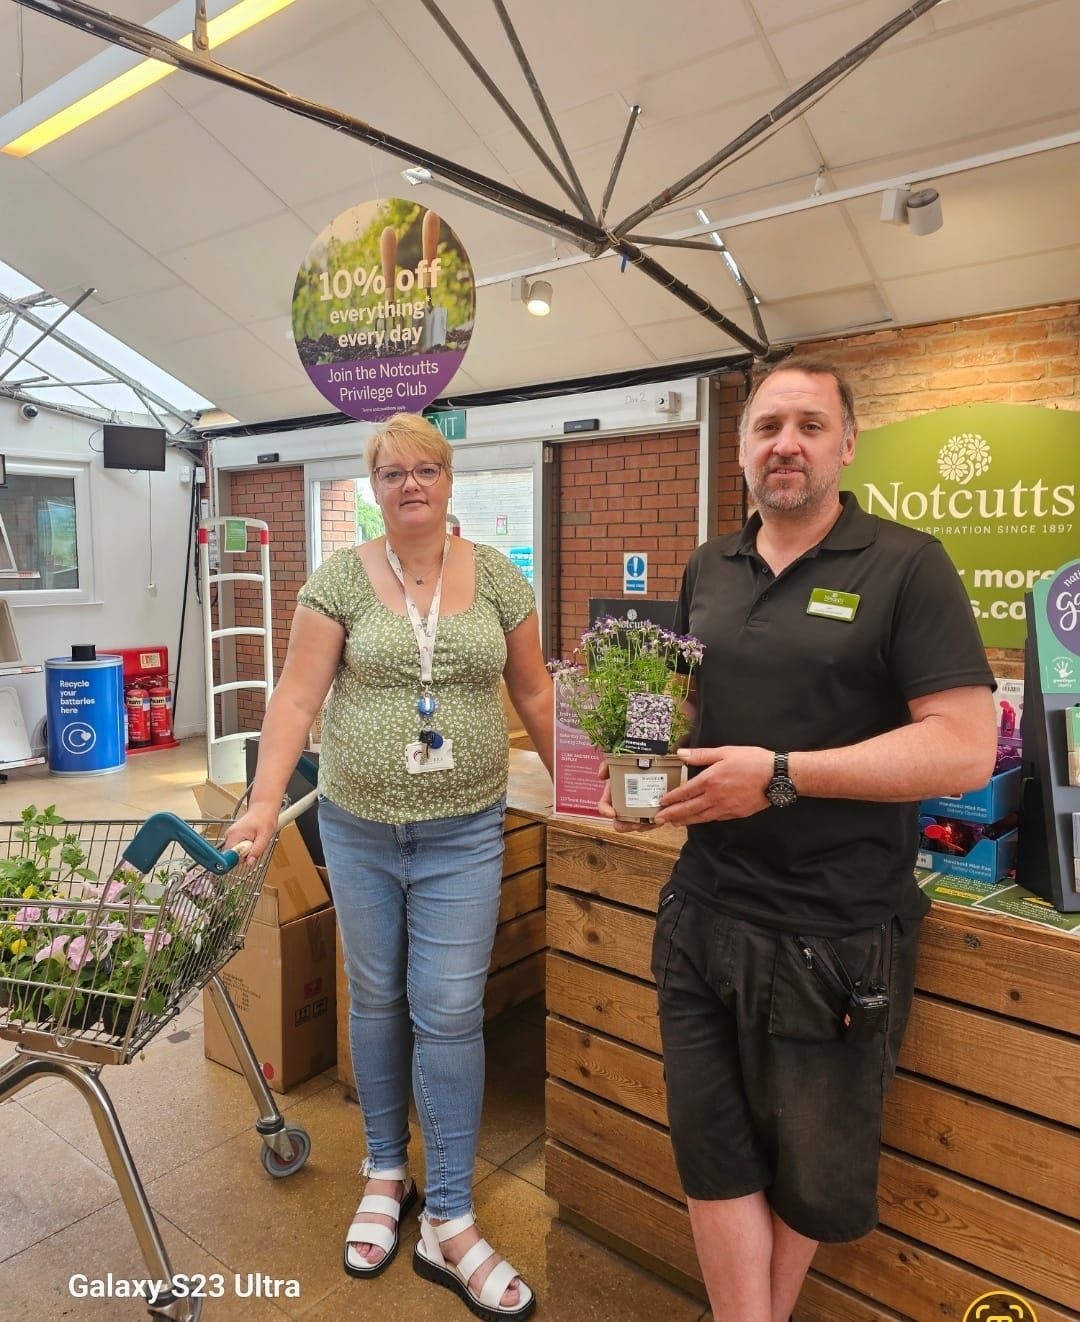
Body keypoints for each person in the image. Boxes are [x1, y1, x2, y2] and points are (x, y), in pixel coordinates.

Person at [600, 358, 996, 1322]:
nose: (787, 443)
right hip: (701, 912)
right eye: (768, 425)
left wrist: (781, 775)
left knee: (809, 1176)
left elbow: (964, 747)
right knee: (711, 1151)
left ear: (846, 444)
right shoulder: (708, 566)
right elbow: (689, 705)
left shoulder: (908, 564)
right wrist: (631, 759)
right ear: (740, 448)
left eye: (810, 426)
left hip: (835, 932)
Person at [225, 412, 552, 1321]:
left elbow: (533, 688)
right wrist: (261, 800)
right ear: (374, 488)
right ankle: (385, 1171)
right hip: (360, 829)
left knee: (447, 1010)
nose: (410, 484)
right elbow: (295, 694)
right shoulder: (340, 578)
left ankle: (450, 1214)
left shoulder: (494, 575)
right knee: (374, 999)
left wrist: (585, 785)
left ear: (450, 480)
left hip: (463, 832)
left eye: (426, 469)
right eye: (391, 472)